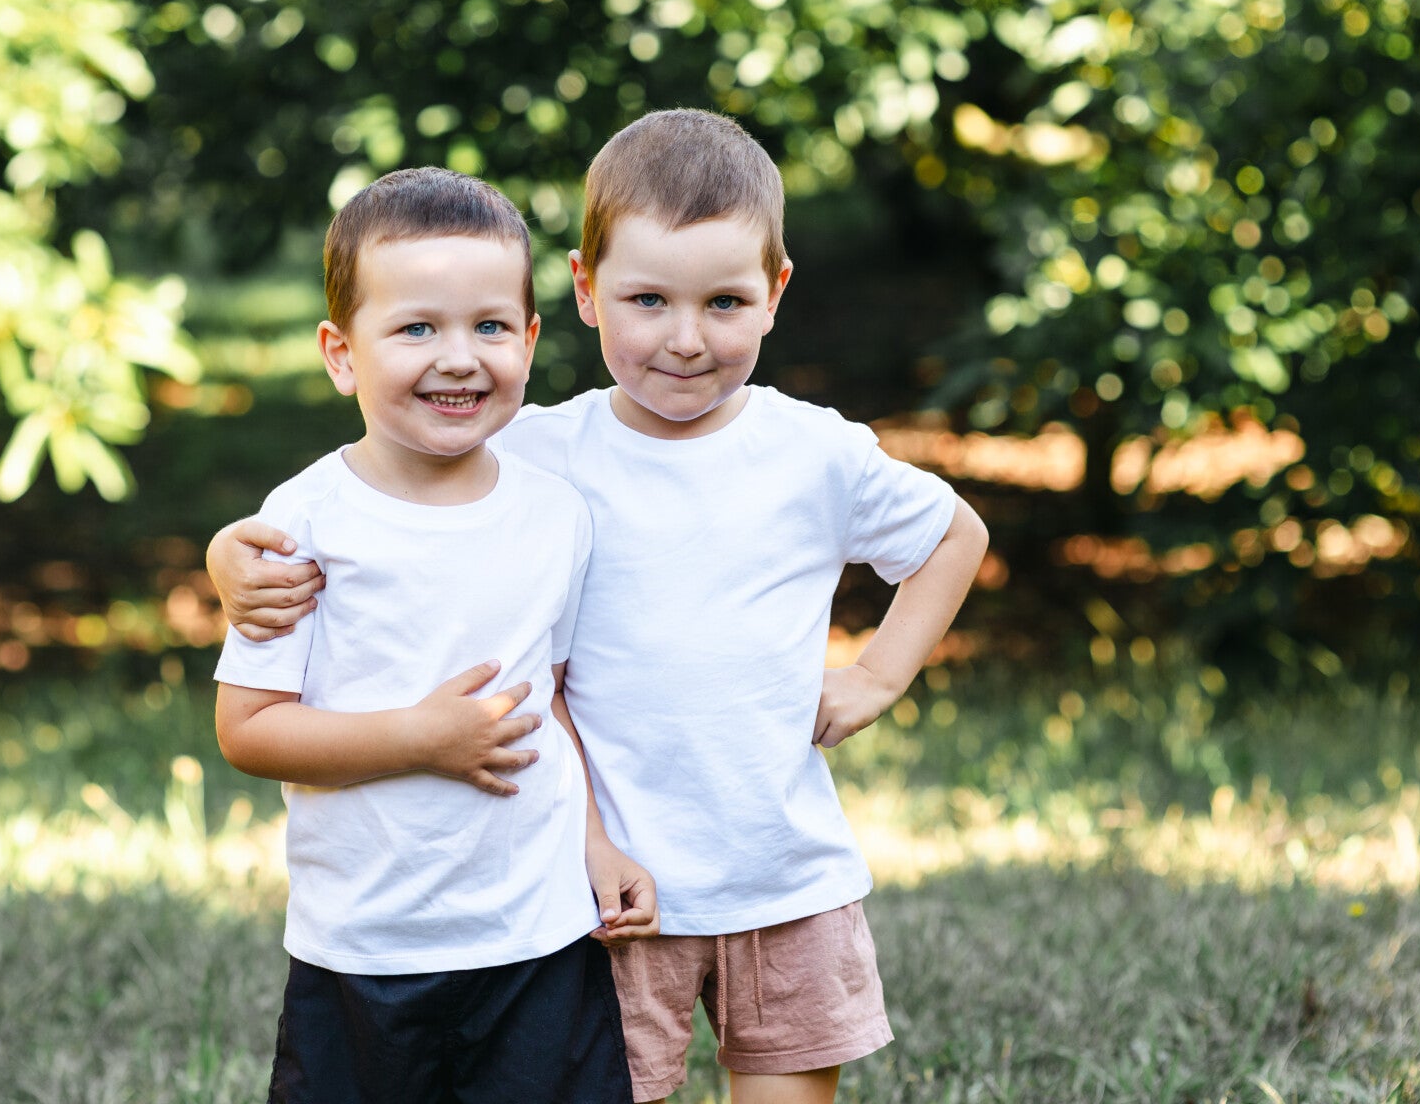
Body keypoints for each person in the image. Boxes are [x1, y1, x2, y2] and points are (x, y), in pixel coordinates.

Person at [211, 112, 989, 1104]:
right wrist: (229, 554)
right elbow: (388, 485)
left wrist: (878, 673)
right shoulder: (535, 449)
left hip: (784, 869)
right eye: (647, 299)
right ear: (585, 290)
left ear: (775, 292)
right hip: (603, 890)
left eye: (724, 301)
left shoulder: (812, 451)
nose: (685, 338)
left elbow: (953, 534)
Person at [210, 166, 654, 1104]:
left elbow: (549, 703)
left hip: (538, 937)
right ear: (341, 354)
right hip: (368, 945)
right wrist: (418, 738)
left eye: (490, 326)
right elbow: (248, 730)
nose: (459, 357)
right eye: (416, 328)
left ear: (530, 341)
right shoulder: (303, 524)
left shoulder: (556, 514)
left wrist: (595, 846)